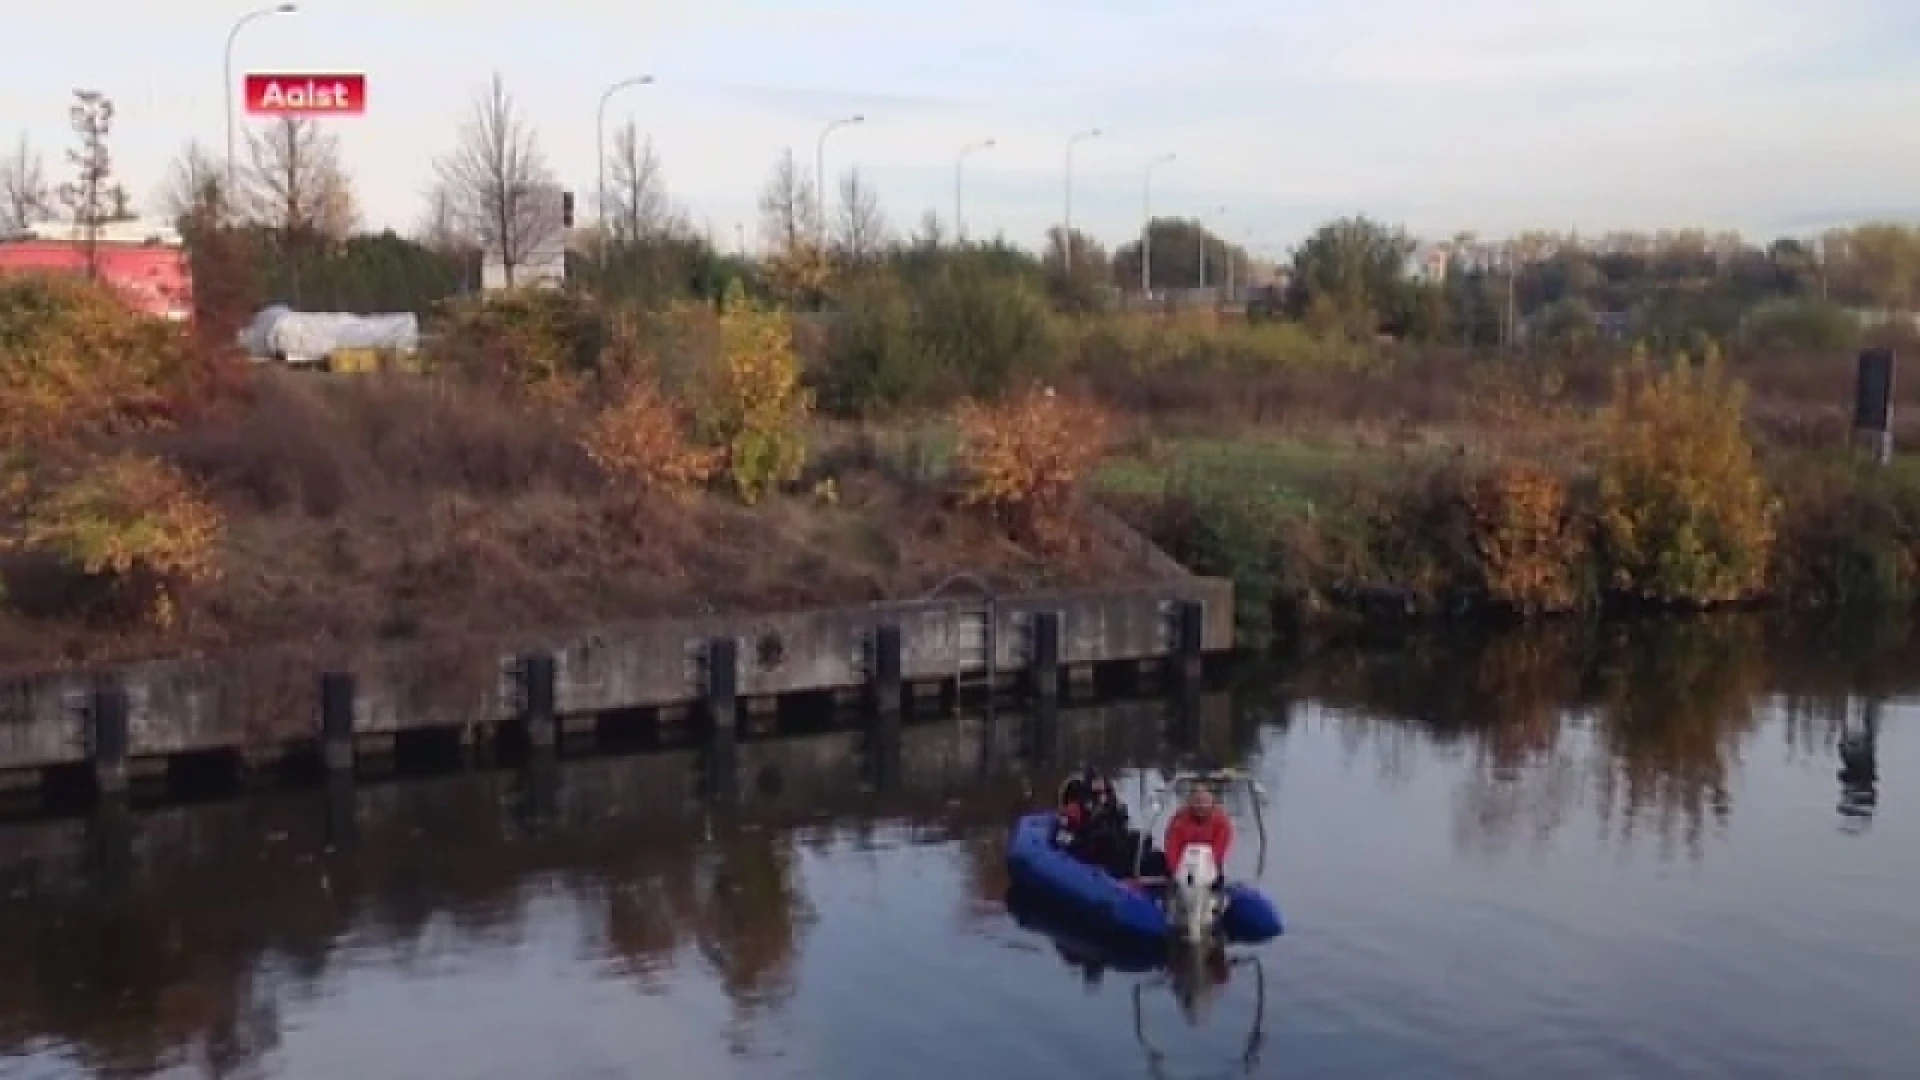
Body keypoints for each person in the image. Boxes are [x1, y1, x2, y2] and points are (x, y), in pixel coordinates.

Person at [1163, 783, 1233, 886]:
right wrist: (1176, 870)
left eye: (1205, 802)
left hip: (1209, 867)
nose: (1201, 806)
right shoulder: (1179, 820)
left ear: (1212, 801)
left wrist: (1207, 868)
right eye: (1197, 801)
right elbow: (1172, 846)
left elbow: (1220, 848)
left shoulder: (1222, 821)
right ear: (1190, 801)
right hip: (1182, 866)